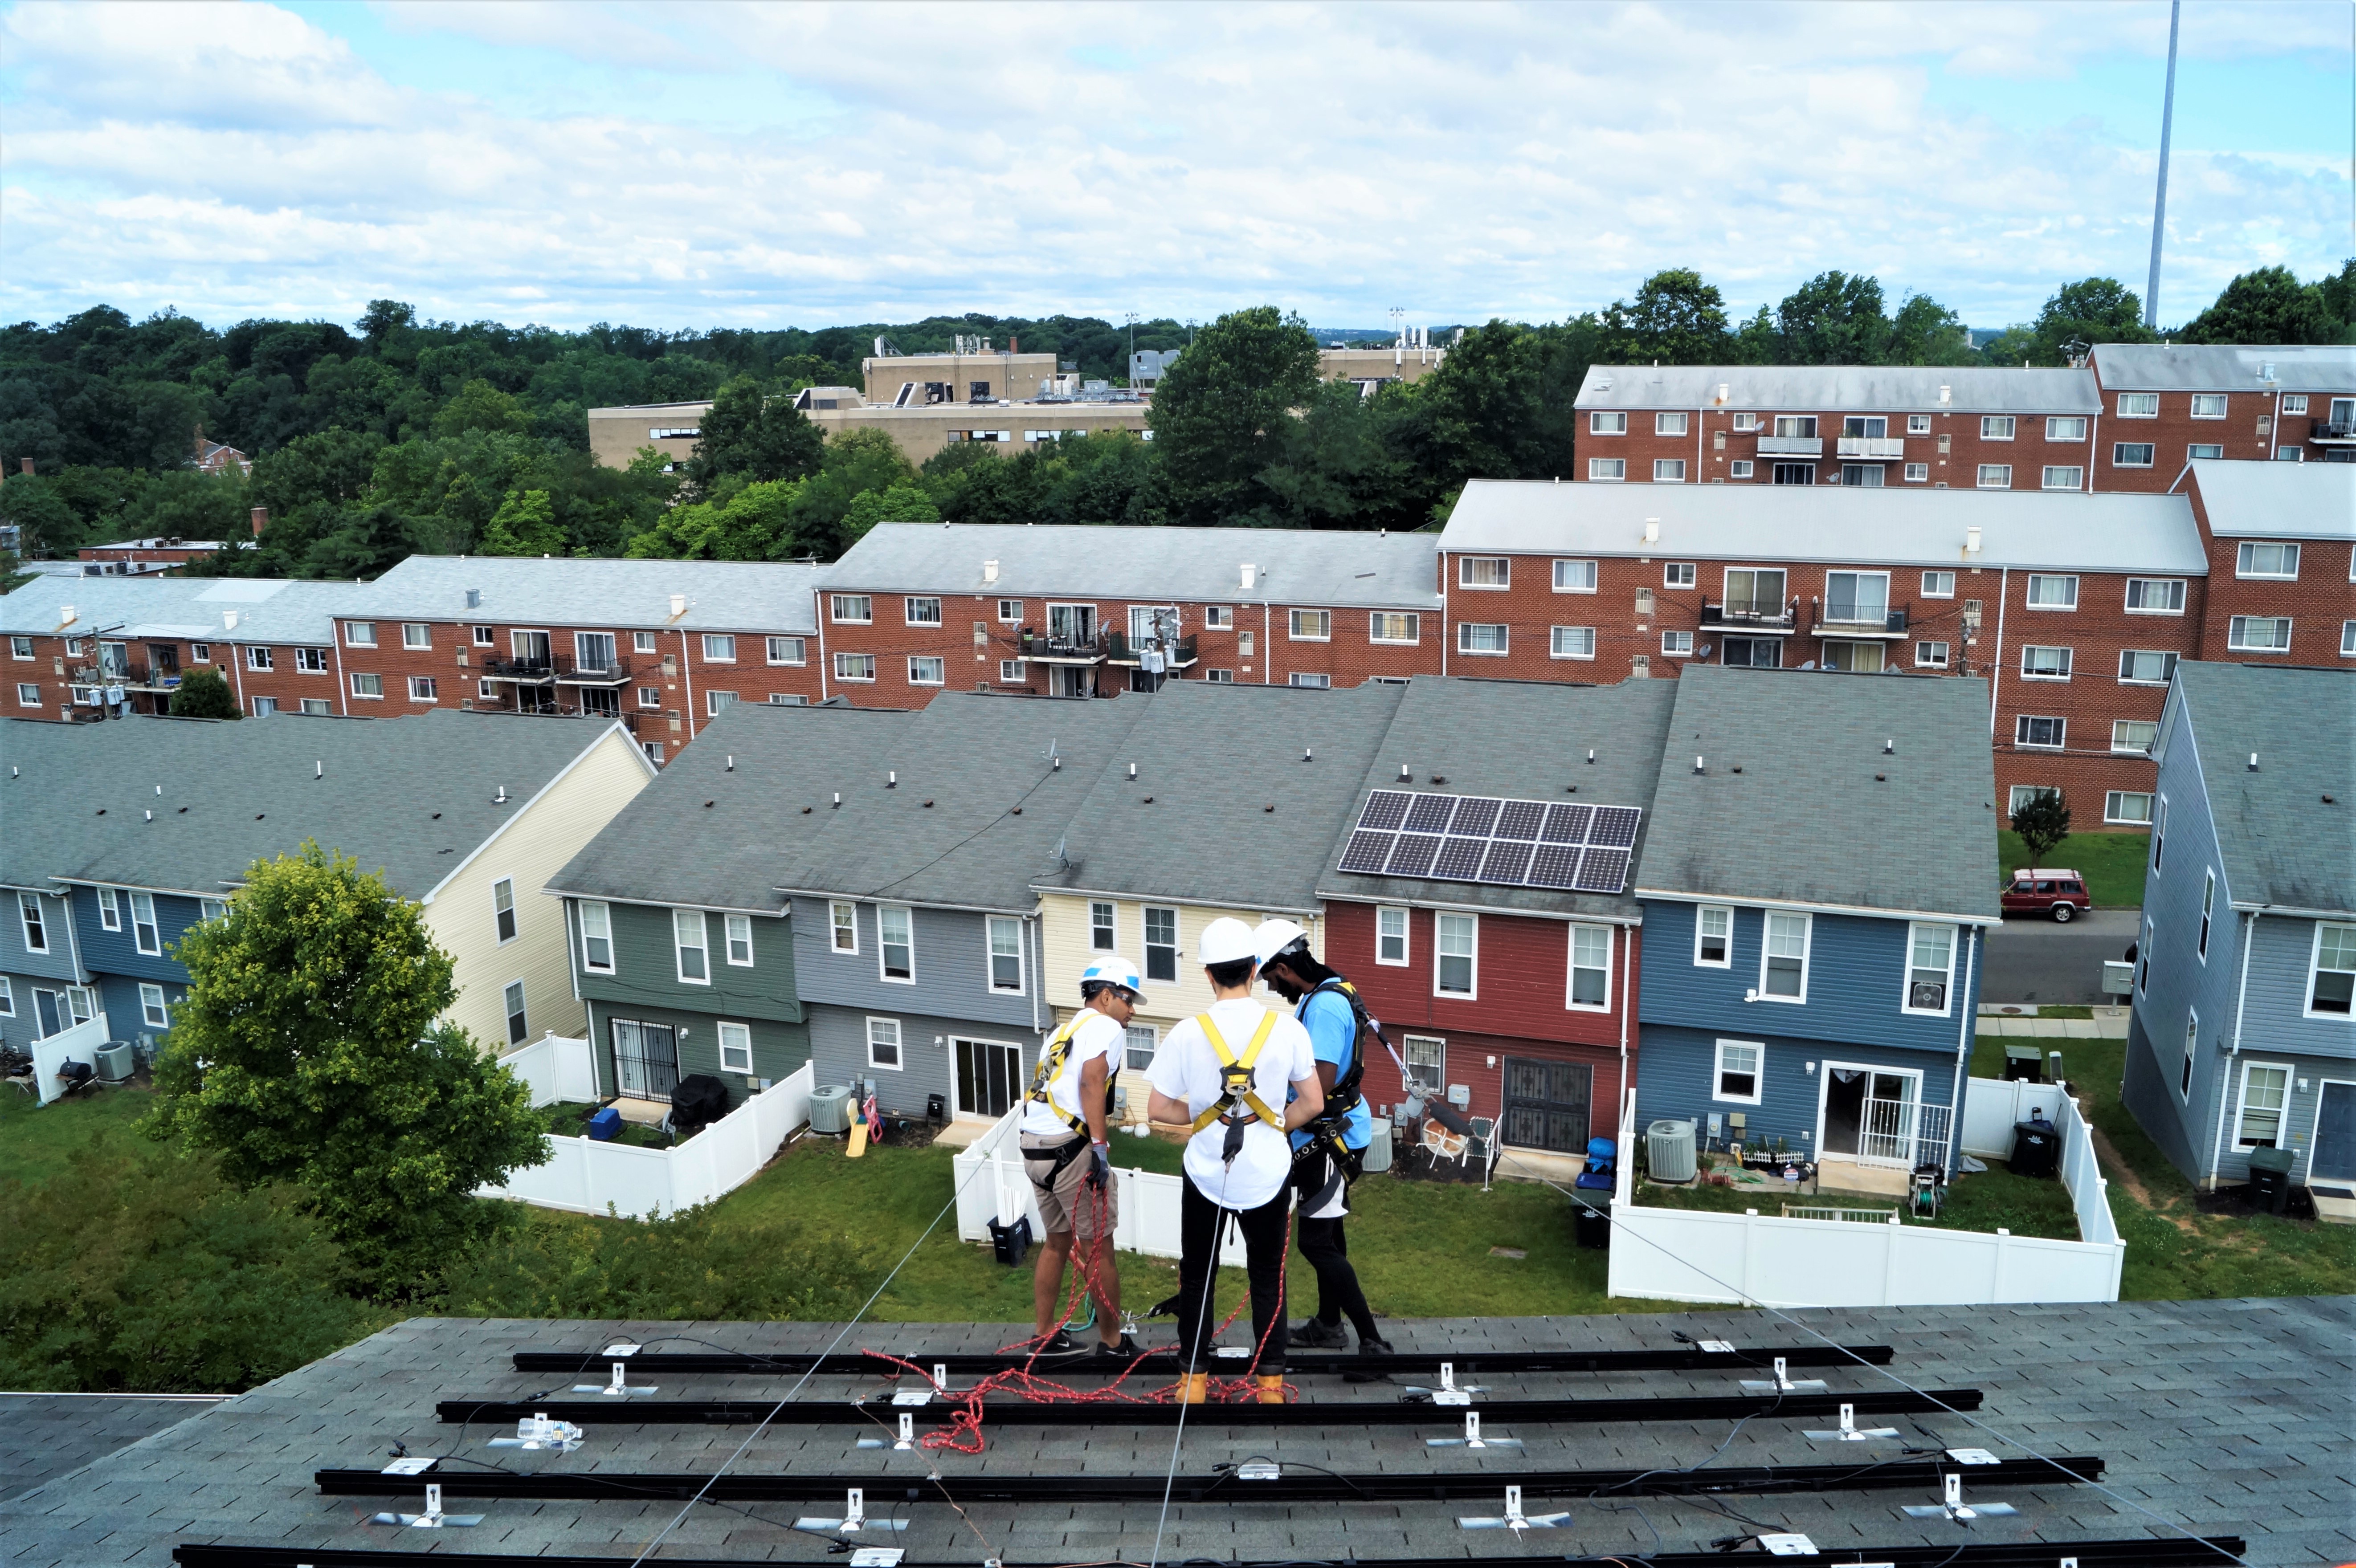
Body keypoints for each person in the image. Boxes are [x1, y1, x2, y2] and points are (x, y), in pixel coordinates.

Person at [1146, 916, 1323, 1404]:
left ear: (1208, 975)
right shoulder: (1285, 1029)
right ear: (1254, 968)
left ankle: (1193, 1380)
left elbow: (1159, 1108)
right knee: (1267, 1275)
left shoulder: (1187, 1032)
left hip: (1206, 1167)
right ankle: (1269, 1384)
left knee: (1198, 1271)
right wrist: (1272, 1123)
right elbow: (1313, 1102)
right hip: (1267, 1170)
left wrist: (1207, 1115)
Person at [1254, 919, 1393, 1364]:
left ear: (1283, 966)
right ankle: (1330, 1324)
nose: (1274, 989)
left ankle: (1372, 1340)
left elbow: (1322, 1082)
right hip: (1335, 1131)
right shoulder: (1330, 991)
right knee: (1329, 1230)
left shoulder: (1325, 1007)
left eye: (1272, 979)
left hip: (1330, 1137)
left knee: (1316, 1242)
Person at [1020, 955, 1143, 1358]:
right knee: (1099, 1249)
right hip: (1071, 1149)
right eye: (1128, 1000)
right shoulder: (1107, 1027)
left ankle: (1043, 1335)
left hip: (1035, 1147)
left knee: (1056, 1243)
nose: (1132, 1010)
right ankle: (1111, 1342)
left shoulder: (1061, 1030)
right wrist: (1101, 1149)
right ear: (1107, 996)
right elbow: (1092, 1080)